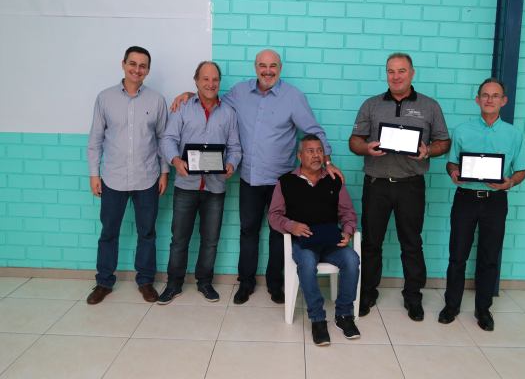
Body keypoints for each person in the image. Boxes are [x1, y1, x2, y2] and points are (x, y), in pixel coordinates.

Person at [171, 49, 341, 305]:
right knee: (248, 231)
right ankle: (246, 283)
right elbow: (211, 99)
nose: (267, 71)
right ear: (255, 67)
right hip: (249, 178)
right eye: (263, 65)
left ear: (280, 69)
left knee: (278, 233)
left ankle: (275, 284)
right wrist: (188, 95)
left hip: (280, 181)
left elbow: (314, 131)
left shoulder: (293, 97)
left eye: (273, 66)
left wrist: (326, 161)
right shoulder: (239, 92)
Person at [349, 52, 450, 320]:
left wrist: (428, 151)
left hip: (411, 186)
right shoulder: (371, 105)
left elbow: (444, 142)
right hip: (376, 185)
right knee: (372, 243)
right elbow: (354, 141)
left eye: (401, 71)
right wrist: (366, 148)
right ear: (386, 74)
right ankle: (367, 293)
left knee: (412, 243)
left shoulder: (430, 106)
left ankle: (413, 297)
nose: (396, 76)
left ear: (412, 73)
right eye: (391, 71)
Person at [438, 78, 525, 331]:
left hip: (496, 201)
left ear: (503, 101)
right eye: (485, 95)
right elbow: (451, 162)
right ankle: (451, 306)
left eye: (495, 95)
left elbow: (521, 169)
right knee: (457, 255)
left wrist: (509, 183)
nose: (489, 99)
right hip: (465, 199)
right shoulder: (462, 130)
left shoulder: (513, 134)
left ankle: (483, 309)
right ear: (477, 100)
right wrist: (453, 172)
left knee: (489, 257)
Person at [86, 46, 168, 304]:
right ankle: (104, 282)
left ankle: (145, 281)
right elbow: (95, 140)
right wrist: (94, 174)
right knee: (109, 232)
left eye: (142, 66)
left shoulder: (157, 100)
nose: (137, 69)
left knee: (147, 233)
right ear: (123, 64)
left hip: (147, 178)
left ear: (148, 70)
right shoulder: (105, 98)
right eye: (133, 63)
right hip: (113, 178)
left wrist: (164, 172)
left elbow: (164, 139)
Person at [157, 61, 241, 304]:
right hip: (186, 186)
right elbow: (168, 139)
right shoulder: (182, 107)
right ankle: (173, 284)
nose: (210, 84)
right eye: (205, 79)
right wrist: (175, 160)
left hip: (215, 187)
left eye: (215, 79)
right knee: (179, 239)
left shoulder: (229, 113)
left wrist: (231, 164)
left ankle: (205, 282)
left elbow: (235, 147)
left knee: (210, 241)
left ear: (219, 82)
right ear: (196, 81)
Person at [268, 134, 360, 346]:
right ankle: (318, 319)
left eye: (319, 151)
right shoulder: (286, 182)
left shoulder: (334, 180)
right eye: (310, 151)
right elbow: (273, 216)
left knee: (352, 259)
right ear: (300, 156)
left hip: (331, 242)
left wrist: (347, 232)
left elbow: (348, 212)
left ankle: (344, 314)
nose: (316, 155)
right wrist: (292, 226)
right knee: (307, 263)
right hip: (304, 243)